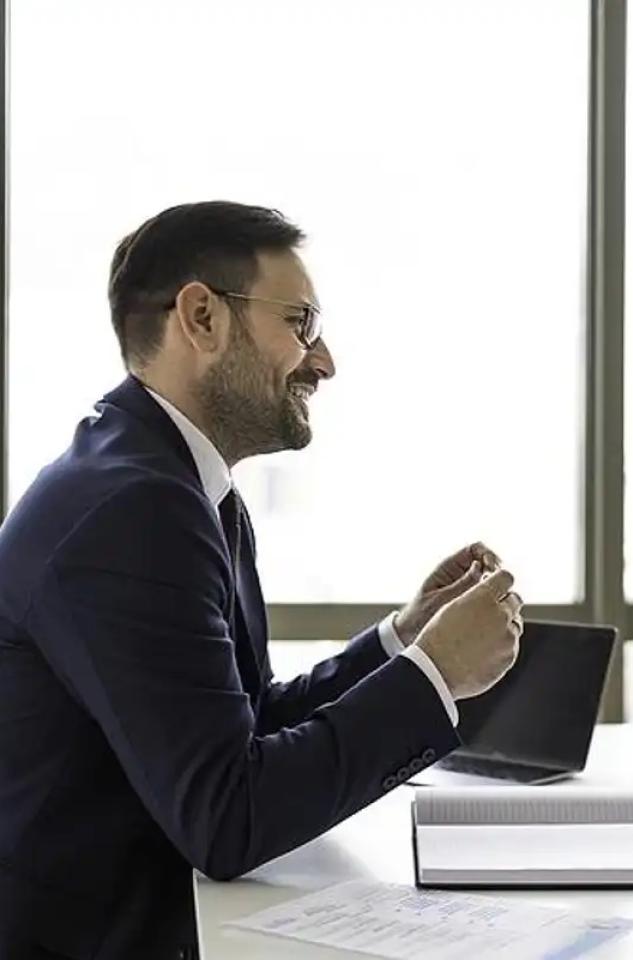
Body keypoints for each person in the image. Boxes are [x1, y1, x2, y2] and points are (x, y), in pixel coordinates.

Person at [0, 201, 525, 958]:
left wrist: (403, 641)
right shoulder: (135, 507)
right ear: (202, 317)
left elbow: (241, 730)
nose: (324, 359)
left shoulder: (180, 485)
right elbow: (229, 817)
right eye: (301, 322)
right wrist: (435, 674)